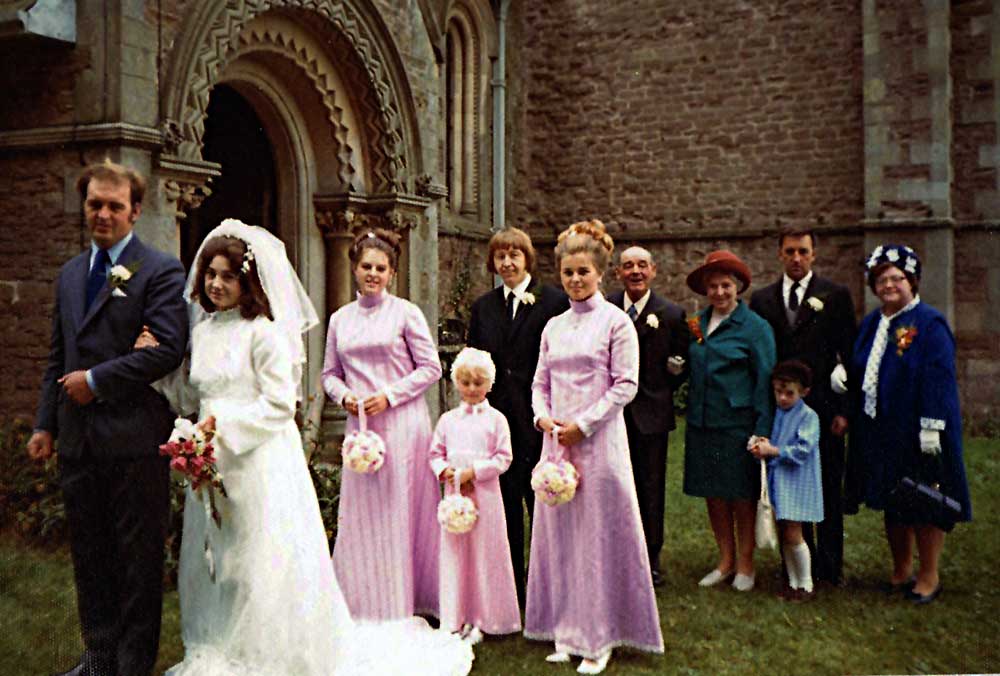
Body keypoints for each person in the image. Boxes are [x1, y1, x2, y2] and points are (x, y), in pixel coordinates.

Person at [142, 221, 473, 675]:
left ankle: (264, 649)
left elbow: (280, 404)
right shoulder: (203, 333)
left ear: (247, 282)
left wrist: (220, 431)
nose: (217, 284)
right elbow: (193, 395)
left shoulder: (264, 333)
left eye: (228, 276)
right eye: (211, 275)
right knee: (217, 554)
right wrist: (160, 376)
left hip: (256, 458)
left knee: (258, 556)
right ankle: (218, 640)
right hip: (213, 460)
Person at [26, 161, 189, 676]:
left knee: (136, 562)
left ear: (135, 211)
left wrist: (95, 381)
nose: (103, 213)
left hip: (134, 439)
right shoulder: (72, 273)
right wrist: (44, 424)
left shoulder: (161, 270)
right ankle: (97, 657)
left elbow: (166, 349)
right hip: (79, 442)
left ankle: (131, 664)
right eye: (95, 203)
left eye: (115, 205)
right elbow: (58, 354)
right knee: (90, 558)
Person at [526, 220, 663, 675]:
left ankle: (599, 636)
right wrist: (543, 417)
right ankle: (565, 627)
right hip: (557, 444)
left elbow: (626, 384)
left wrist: (583, 425)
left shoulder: (616, 322)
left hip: (599, 443)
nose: (575, 280)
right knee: (561, 538)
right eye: (568, 273)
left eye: (583, 272)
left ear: (599, 273)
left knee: (596, 538)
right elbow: (540, 380)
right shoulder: (553, 326)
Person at [322, 228, 444, 621]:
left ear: (392, 272)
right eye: (366, 266)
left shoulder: (406, 313)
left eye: (381, 267)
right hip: (362, 429)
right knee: (363, 513)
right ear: (354, 269)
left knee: (400, 509)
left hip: (402, 424)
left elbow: (431, 368)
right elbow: (329, 374)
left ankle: (413, 599)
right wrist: (346, 397)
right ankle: (363, 598)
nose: (372, 273)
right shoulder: (341, 319)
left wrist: (388, 396)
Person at [842, 244, 971, 604]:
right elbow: (861, 364)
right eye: (882, 279)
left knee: (924, 500)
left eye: (897, 278)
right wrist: (844, 376)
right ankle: (901, 568)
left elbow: (939, 377)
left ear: (912, 282)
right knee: (892, 498)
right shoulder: (872, 323)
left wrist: (932, 426)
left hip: (919, 430)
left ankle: (928, 575)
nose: (889, 285)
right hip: (880, 430)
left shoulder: (929, 324)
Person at [466, 227, 568, 609]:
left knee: (543, 502)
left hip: (539, 418)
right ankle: (512, 589)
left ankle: (551, 587)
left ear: (527, 259)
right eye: (499, 257)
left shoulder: (553, 302)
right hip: (498, 422)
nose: (506, 263)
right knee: (504, 504)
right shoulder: (483, 307)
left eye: (514, 255)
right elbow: (476, 363)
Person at [749, 228, 856, 586]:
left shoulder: (835, 295)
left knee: (825, 484)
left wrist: (843, 409)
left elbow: (848, 355)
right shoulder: (763, 300)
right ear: (780, 254)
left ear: (813, 254)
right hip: (781, 410)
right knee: (787, 486)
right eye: (790, 251)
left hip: (823, 409)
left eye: (803, 252)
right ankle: (794, 564)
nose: (797, 258)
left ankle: (829, 565)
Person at [683, 250, 776, 592]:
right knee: (714, 494)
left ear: (738, 287)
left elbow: (766, 380)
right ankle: (725, 560)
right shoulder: (698, 323)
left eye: (726, 286)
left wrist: (762, 430)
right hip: (703, 421)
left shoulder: (755, 328)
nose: (719, 293)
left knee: (741, 495)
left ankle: (746, 563)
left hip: (738, 423)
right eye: (713, 287)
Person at [608, 246, 689, 586]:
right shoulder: (607, 309)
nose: (636, 272)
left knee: (650, 486)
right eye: (628, 266)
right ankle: (613, 554)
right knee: (611, 484)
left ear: (654, 270)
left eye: (642, 265)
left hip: (651, 413)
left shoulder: (671, 313)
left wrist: (670, 379)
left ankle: (651, 556)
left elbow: (684, 359)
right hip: (611, 413)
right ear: (618, 273)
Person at [429, 347, 521, 646]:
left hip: (485, 497)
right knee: (457, 553)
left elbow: (504, 457)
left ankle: (485, 617)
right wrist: (444, 470)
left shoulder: (497, 420)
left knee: (484, 554)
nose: (471, 389)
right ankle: (456, 615)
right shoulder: (447, 421)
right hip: (454, 496)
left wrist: (475, 471)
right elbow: (435, 453)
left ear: (489, 384)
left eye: (477, 383)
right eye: (465, 383)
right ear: (456, 383)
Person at [750, 360, 824, 601]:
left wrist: (773, 451)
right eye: (778, 391)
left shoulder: (808, 416)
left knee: (794, 532)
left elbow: (802, 449)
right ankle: (792, 583)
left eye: (789, 393)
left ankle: (806, 583)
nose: (782, 397)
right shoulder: (780, 413)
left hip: (797, 482)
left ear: (804, 392)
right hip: (780, 481)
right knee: (784, 532)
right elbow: (774, 439)